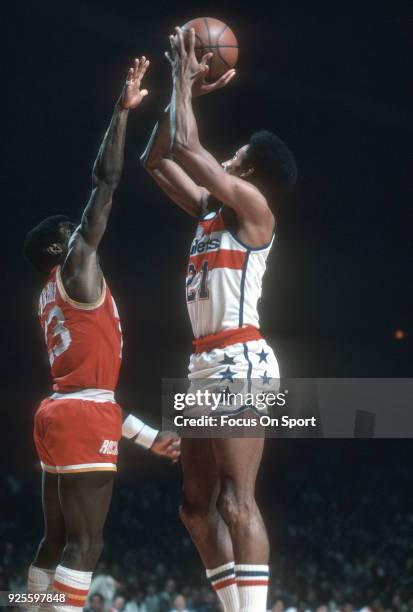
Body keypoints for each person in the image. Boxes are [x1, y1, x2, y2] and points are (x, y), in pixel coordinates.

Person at [141, 28, 297, 612]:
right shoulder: (210, 212)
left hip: (241, 360)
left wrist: (185, 81)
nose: (225, 160)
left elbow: (188, 148)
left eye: (235, 159)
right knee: (194, 508)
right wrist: (183, 95)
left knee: (237, 501)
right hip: (202, 362)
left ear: (249, 173)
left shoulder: (255, 210)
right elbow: (156, 156)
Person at [24, 57, 180, 612]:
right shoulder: (75, 267)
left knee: (55, 540)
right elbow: (106, 182)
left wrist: (147, 436)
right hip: (79, 412)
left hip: (61, 409)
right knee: (87, 545)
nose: (81, 230)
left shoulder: (50, 293)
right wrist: (121, 110)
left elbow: (99, 393)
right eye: (71, 231)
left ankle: (25, 606)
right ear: (56, 249)